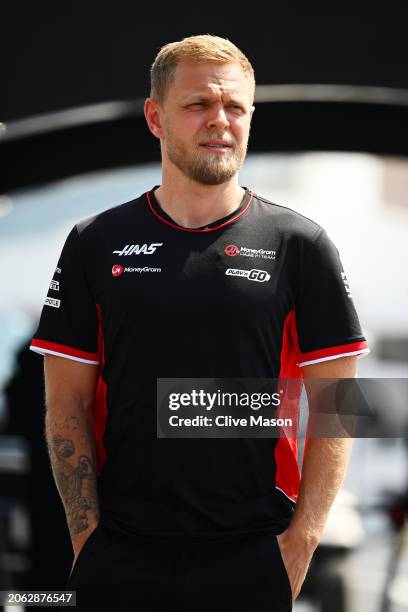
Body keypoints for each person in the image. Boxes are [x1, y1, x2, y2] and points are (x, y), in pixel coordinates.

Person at [30, 34, 369, 611]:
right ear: (155, 117)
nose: (220, 121)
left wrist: (302, 540)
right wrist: (86, 539)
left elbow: (340, 399)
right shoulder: (96, 242)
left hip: (252, 552)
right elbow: (65, 403)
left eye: (234, 107)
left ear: (250, 117)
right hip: (122, 554)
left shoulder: (299, 244)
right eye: (198, 105)